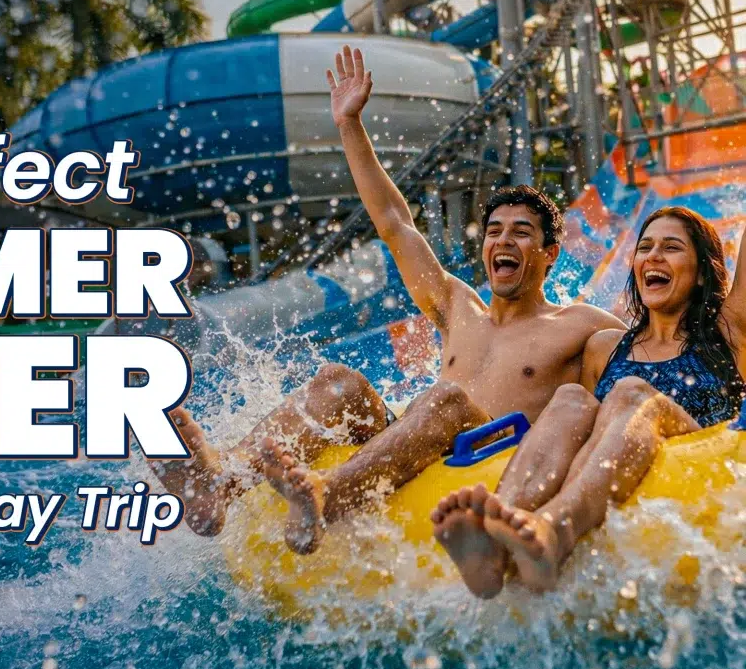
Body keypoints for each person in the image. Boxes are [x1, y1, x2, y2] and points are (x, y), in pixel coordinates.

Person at [151, 45, 622, 557]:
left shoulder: (581, 325)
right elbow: (395, 224)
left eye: (521, 233)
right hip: (420, 446)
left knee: (446, 398)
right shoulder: (457, 305)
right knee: (340, 381)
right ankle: (221, 484)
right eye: (493, 232)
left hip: (492, 458)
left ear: (549, 253)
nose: (502, 242)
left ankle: (326, 494)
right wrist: (349, 123)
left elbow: (635, 381)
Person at [432, 206, 746, 596]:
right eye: (645, 247)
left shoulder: (729, 331)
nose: (653, 257)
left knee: (631, 392)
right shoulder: (605, 348)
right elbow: (579, 431)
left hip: (697, 454)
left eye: (672, 248)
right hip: (621, 456)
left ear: (701, 272)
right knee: (570, 398)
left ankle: (556, 529)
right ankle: (497, 531)